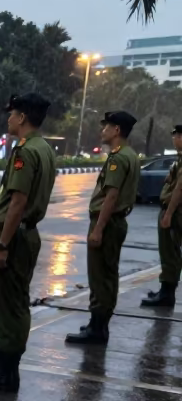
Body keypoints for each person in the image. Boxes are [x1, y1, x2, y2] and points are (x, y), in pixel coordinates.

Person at [0, 93, 57, 392]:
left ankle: (4, 373)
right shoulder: (43, 148)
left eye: (12, 113)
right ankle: (6, 368)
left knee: (9, 307)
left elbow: (17, 202)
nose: (8, 118)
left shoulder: (25, 152)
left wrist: (2, 244)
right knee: (17, 303)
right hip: (26, 234)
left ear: (22, 118)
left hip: (14, 236)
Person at [66, 111, 140, 345]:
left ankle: (97, 329)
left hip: (107, 222)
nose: (103, 131)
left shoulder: (118, 158)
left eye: (106, 127)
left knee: (100, 278)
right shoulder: (130, 154)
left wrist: (98, 228)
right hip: (116, 222)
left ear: (117, 130)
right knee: (108, 275)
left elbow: (111, 196)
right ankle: (98, 325)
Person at [141, 124, 182, 309]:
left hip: (174, 212)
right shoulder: (179, 160)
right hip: (170, 210)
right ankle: (165, 291)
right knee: (168, 252)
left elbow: (180, 189)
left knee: (170, 253)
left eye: (176, 136)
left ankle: (167, 295)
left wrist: (169, 213)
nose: (174, 139)